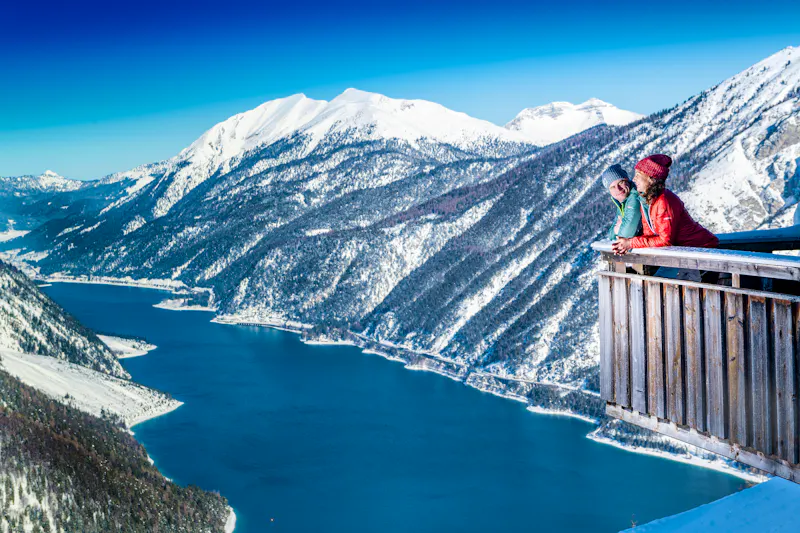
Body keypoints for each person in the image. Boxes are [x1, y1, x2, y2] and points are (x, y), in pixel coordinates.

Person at [611, 154, 718, 255]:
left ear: (650, 178)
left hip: (702, 249)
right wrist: (625, 244)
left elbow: (665, 240)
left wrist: (631, 243)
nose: (634, 179)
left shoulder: (664, 201)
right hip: (687, 251)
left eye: (638, 175)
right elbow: (649, 234)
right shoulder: (646, 200)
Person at [601, 164, 642, 241]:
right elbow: (610, 235)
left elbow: (627, 232)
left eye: (620, 182)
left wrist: (618, 229)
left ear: (627, 181)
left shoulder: (635, 196)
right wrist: (619, 229)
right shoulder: (622, 202)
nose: (618, 189)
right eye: (612, 187)